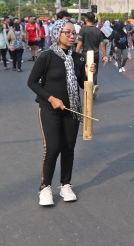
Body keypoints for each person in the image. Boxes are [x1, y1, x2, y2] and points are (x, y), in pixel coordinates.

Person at [27, 19, 96, 206]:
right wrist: (51, 98)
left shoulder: (78, 58)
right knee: (53, 148)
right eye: (68, 32)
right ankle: (45, 188)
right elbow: (32, 82)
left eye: (74, 33)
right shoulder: (46, 56)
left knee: (68, 150)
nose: (72, 36)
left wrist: (90, 73)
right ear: (58, 33)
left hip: (71, 111)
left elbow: (83, 85)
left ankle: (66, 185)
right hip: (50, 109)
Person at [76, 12, 108, 98]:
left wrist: (75, 54)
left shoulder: (83, 30)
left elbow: (79, 44)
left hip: (85, 54)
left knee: (85, 72)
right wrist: (105, 55)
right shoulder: (98, 31)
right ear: (94, 20)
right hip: (95, 54)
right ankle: (93, 87)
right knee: (94, 72)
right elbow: (101, 44)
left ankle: (88, 89)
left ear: (86, 19)